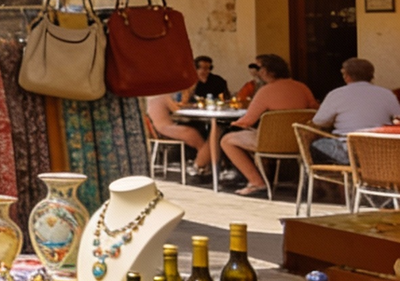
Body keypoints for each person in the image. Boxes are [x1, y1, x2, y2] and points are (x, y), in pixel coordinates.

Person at [222, 53, 319, 196]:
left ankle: (256, 182)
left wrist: (229, 123)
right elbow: (315, 109)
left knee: (227, 140)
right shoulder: (302, 87)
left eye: (258, 67)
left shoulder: (265, 91)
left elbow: (247, 121)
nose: (255, 70)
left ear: (268, 70)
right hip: (299, 142)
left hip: (271, 143)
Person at [309, 58, 400, 165]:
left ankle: (330, 180)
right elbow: (398, 116)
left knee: (316, 145)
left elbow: (319, 121)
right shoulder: (387, 94)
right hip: (380, 151)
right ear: (371, 75)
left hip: (349, 150)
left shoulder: (337, 94)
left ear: (346, 76)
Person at [146, 92, 210, 172]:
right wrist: (190, 105)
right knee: (196, 136)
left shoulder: (149, 97)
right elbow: (177, 110)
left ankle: (202, 163)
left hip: (156, 131)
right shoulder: (163, 96)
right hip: (166, 130)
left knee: (195, 130)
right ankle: (201, 165)